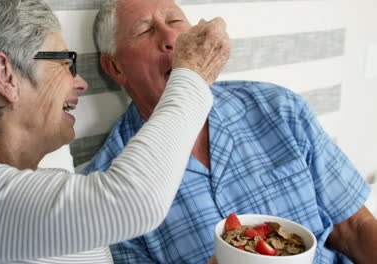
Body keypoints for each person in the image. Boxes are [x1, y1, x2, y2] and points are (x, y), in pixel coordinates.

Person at [0, 0, 230, 263]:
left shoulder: (45, 195)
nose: (80, 82)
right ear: (5, 75)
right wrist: (193, 75)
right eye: (65, 62)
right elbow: (134, 201)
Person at [84, 0, 377, 263]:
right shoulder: (107, 187)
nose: (171, 38)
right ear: (114, 68)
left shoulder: (279, 108)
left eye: (175, 22)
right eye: (144, 31)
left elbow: (355, 230)